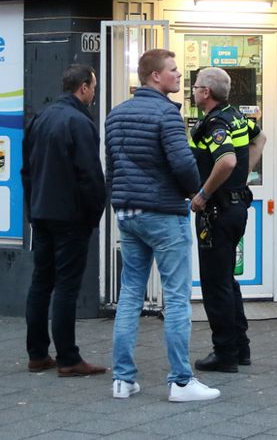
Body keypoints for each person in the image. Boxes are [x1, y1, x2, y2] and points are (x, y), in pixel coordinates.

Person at [104, 49, 220, 402]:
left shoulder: (115, 114)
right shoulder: (167, 115)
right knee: (176, 297)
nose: (179, 76)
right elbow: (183, 163)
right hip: (164, 214)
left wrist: (119, 199)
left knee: (129, 295)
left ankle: (123, 380)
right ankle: (181, 382)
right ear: (155, 76)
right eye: (173, 70)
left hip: (128, 214)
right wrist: (195, 192)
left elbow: (111, 165)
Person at [21, 64, 107, 377]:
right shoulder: (79, 122)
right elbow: (90, 176)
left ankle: (37, 353)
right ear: (83, 87)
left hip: (42, 213)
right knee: (67, 287)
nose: (94, 94)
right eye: (93, 88)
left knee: (41, 282)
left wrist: (33, 210)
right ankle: (68, 357)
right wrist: (93, 214)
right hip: (70, 216)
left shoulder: (40, 119)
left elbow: (26, 170)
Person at [189, 67, 266, 373]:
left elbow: (227, 160)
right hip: (235, 208)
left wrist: (204, 194)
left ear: (206, 92)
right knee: (226, 280)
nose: (193, 91)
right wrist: (241, 178)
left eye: (196, 87)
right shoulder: (237, 116)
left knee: (215, 284)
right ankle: (240, 347)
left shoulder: (215, 122)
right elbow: (260, 141)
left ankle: (225, 353)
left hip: (218, 211)